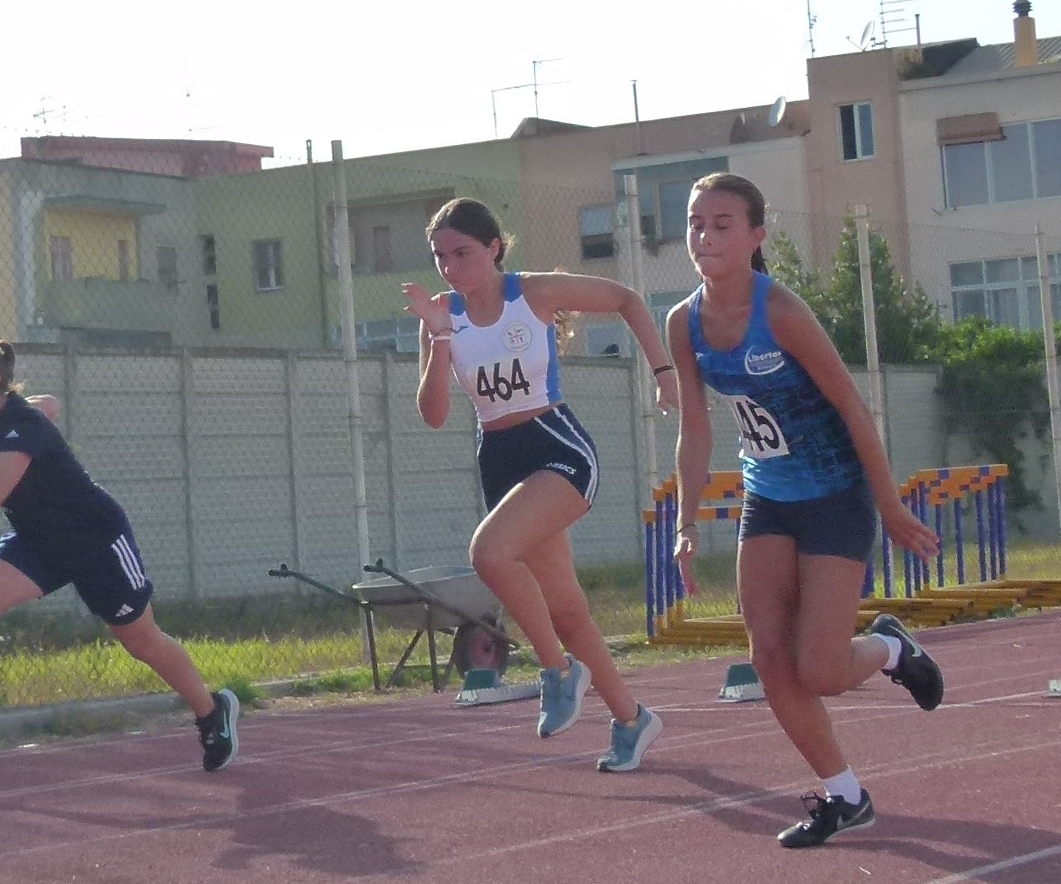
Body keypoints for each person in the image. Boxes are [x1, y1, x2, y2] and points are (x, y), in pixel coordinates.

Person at [664, 172, 944, 846]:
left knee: (819, 669)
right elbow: (696, 428)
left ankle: (889, 647)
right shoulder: (682, 321)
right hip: (767, 496)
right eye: (695, 223)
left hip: (835, 496)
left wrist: (889, 504)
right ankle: (845, 796)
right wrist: (685, 522)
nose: (704, 236)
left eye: (721, 224)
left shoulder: (782, 312)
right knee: (769, 660)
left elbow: (851, 406)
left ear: (756, 236)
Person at [403, 197, 678, 772]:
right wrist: (439, 338)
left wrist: (663, 372)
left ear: (493, 248)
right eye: (440, 257)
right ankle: (632, 720)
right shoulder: (440, 316)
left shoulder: (533, 293)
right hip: (499, 459)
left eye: (462, 253)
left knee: (489, 553)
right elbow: (433, 414)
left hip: (557, 447)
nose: (450, 268)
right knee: (567, 611)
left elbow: (627, 299)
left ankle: (557, 670)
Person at [0, 337, 239, 771]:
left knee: (140, 639)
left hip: (94, 540)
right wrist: (44, 407)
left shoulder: (21, 424)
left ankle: (212, 713)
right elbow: (43, 408)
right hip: (39, 541)